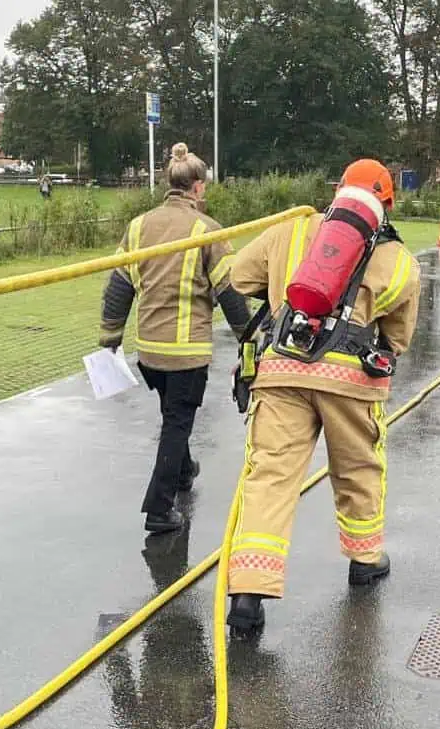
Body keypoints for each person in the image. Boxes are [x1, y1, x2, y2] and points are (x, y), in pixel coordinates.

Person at [223, 158, 421, 637]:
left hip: (281, 372)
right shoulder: (399, 260)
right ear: (388, 204)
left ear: (337, 191)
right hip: (352, 384)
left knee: (270, 477)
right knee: (358, 469)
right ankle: (365, 561)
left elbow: (237, 279)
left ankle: (249, 591)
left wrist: (281, 296)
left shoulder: (289, 231)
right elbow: (397, 339)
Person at [99, 143, 251, 534]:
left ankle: (184, 471)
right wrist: (248, 340)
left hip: (149, 352)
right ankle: (159, 508)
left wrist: (110, 338)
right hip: (187, 353)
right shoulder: (207, 230)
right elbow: (230, 293)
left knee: (172, 413)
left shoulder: (139, 226)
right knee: (177, 422)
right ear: (198, 187)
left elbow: (119, 285)